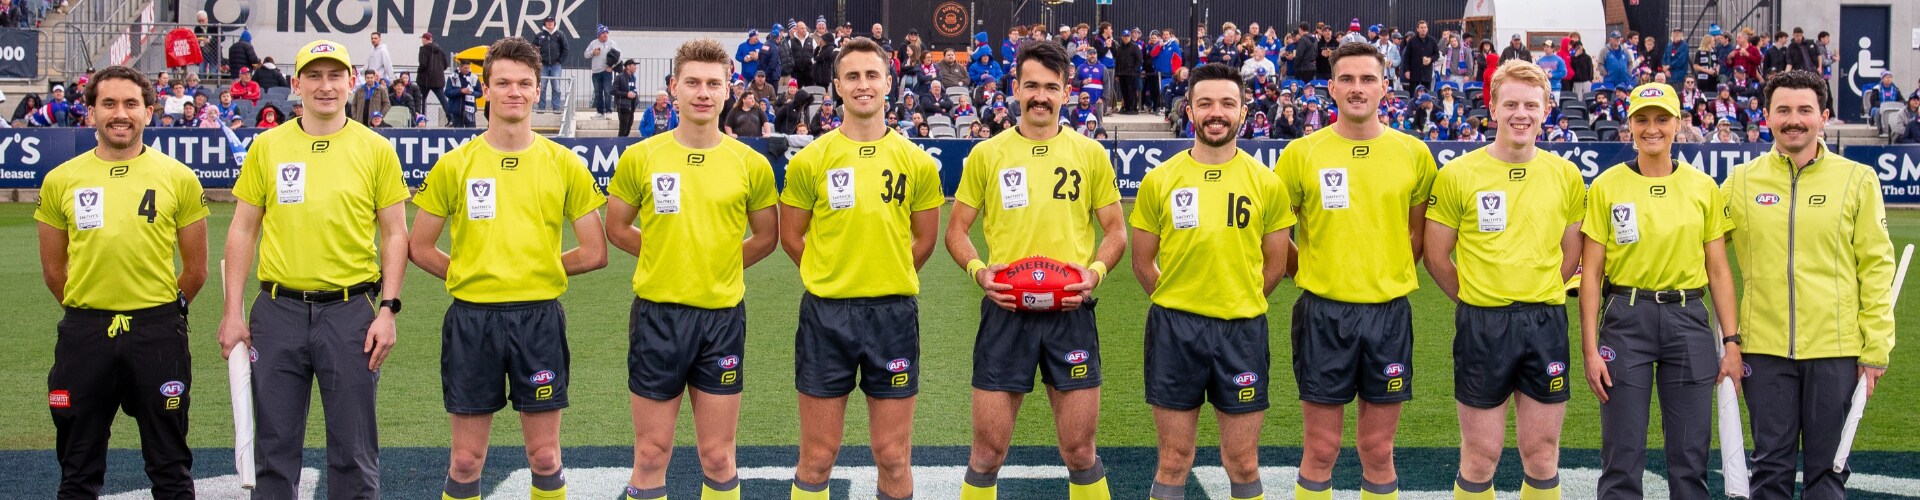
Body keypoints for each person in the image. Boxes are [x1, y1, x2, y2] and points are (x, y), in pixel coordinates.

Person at [409, 37, 606, 500]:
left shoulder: (564, 163)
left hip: (539, 320)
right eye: (503, 82)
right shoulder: (455, 165)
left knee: (545, 457)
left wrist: (531, 270)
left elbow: (595, 251)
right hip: (471, 320)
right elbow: (419, 246)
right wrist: (473, 272)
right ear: (486, 89)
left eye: (523, 83)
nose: (513, 91)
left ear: (538, 90)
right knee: (465, 460)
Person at [219, 39, 406, 499]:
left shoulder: (375, 149)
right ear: (296, 84)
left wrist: (388, 310)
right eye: (314, 76)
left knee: (353, 451)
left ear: (351, 81)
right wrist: (232, 312)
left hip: (350, 312)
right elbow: (242, 229)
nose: (325, 86)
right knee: (274, 450)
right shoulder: (267, 146)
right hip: (277, 311)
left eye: (335, 75)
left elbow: (395, 233)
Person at [603, 38, 780, 500]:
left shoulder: (751, 163)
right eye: (693, 83)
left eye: (713, 84)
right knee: (650, 453)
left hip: (721, 320)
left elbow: (767, 238)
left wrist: (715, 263)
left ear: (728, 90)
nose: (703, 93)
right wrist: (667, 255)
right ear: (674, 88)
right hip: (657, 318)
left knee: (719, 456)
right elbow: (616, 228)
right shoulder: (642, 156)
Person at [947, 40, 1123, 500]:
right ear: (1016, 88)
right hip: (1006, 311)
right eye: (1031, 86)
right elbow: (956, 231)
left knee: (1080, 451)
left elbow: (1116, 232)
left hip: (1071, 312)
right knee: (987, 453)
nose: (1040, 96)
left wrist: (1095, 273)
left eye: (1050, 87)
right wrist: (979, 272)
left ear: (1066, 91)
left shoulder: (1090, 153)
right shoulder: (987, 154)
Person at [1723, 70, 1897, 500]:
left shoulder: (1857, 179)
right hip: (1764, 350)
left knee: (1827, 471)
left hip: (1835, 350)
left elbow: (1877, 266)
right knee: (1770, 469)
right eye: (1783, 110)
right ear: (1766, 117)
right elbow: (1699, 243)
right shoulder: (1741, 181)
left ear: (1824, 116)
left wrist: (1876, 347)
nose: (1794, 120)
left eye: (1804, 110)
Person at [782, 36, 942, 500]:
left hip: (893, 317)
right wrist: (833, 272)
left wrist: (883, 273)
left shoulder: (917, 162)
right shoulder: (810, 160)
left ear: (889, 83)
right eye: (852, 76)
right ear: (837, 86)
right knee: (817, 456)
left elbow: (925, 240)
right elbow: (792, 237)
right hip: (826, 316)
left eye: (872, 75)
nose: (863, 84)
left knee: (893, 456)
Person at [38, 65, 207, 500]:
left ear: (148, 112)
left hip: (157, 333)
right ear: (91, 111)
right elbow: (54, 272)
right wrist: (90, 309)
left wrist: (160, 312)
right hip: (85, 335)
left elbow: (195, 270)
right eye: (108, 103)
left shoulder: (178, 177)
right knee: (77, 469)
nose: (120, 113)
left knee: (170, 468)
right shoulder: (61, 180)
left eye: (131, 104)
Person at [1275, 42, 1435, 500]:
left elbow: (1417, 236)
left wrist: (1385, 272)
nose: (1357, 88)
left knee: (1379, 450)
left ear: (1385, 87)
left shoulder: (1414, 153)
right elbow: (1276, 238)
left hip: (1388, 316)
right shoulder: (1301, 154)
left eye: (1367, 79)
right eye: (1347, 79)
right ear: (1331, 88)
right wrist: (1313, 273)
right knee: (1321, 449)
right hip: (1323, 315)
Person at [1131, 61, 1293, 500]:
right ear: (1189, 110)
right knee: (1173, 459)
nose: (1216, 112)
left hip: (1242, 331)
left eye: (1226, 103)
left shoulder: (1267, 183)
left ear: (1243, 112)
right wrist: (1179, 299)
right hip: (1174, 332)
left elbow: (1275, 265)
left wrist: (1237, 299)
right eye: (1205, 103)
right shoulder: (1159, 180)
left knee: (1243, 461)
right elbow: (1142, 263)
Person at [1422, 60, 1583, 500]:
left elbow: (1571, 253)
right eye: (1510, 104)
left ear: (1546, 109)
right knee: (1480, 455)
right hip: (1482, 325)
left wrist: (1538, 290)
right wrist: (1476, 297)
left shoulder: (1566, 175)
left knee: (1542, 454)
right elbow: (1436, 256)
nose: (1521, 114)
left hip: (1545, 322)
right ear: (1492, 108)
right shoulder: (1458, 174)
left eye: (1531, 105)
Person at [1578, 80, 1742, 500]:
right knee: (1622, 454)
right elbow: (1591, 274)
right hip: (1626, 319)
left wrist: (1732, 342)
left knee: (1690, 457)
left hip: (1688, 320)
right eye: (1643, 120)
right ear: (1630, 126)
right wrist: (1590, 350)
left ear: (1679, 124)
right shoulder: (1607, 186)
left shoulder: (1702, 187)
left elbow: (1719, 271)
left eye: (1662, 119)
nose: (1652, 128)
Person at [534, 17, 568, 111]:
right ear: (544, 23)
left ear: (554, 23)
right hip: (543, 66)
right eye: (548, 22)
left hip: (555, 65)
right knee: (542, 87)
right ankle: (541, 107)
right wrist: (538, 61)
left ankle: (556, 107)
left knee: (556, 87)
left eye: (552, 22)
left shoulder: (560, 35)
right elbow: (533, 49)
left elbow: (565, 49)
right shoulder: (539, 36)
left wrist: (560, 60)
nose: (550, 23)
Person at [587, 25, 619, 118]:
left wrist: (612, 67)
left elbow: (619, 56)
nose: (605, 35)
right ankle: (600, 112)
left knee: (607, 92)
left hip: (606, 72)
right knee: (598, 93)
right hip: (596, 72)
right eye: (603, 33)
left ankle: (608, 111)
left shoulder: (612, 43)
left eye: (606, 33)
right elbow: (585, 54)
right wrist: (593, 52)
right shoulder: (593, 43)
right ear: (599, 34)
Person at [418, 32, 451, 122]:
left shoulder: (423, 49)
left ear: (425, 39)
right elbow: (445, 64)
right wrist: (438, 71)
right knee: (443, 100)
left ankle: (421, 119)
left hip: (424, 80)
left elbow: (423, 64)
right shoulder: (440, 49)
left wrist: (419, 72)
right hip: (438, 80)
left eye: (422, 39)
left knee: (420, 100)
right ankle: (450, 118)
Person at [447, 61, 479, 128]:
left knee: (471, 131)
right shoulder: (452, 77)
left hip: (470, 110)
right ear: (460, 67)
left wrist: (471, 93)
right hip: (457, 111)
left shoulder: (474, 77)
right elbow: (447, 92)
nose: (467, 70)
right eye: (465, 68)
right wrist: (460, 91)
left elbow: (480, 92)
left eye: (468, 68)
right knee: (458, 131)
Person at [613, 59, 639, 137]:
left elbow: (633, 89)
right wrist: (626, 94)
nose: (635, 67)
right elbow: (614, 91)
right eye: (634, 65)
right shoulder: (619, 77)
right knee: (623, 128)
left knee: (628, 128)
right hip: (623, 106)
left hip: (631, 106)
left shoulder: (633, 78)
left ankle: (623, 141)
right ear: (628, 66)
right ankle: (620, 142)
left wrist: (636, 99)